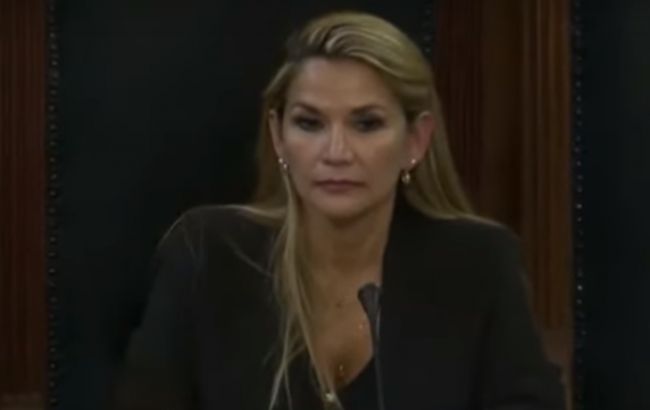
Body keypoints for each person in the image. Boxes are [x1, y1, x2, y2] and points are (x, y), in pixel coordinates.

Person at [114, 11, 565, 410]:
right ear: (278, 136)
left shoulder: (478, 265)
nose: (336, 152)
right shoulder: (207, 254)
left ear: (415, 141)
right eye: (309, 123)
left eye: (366, 124)